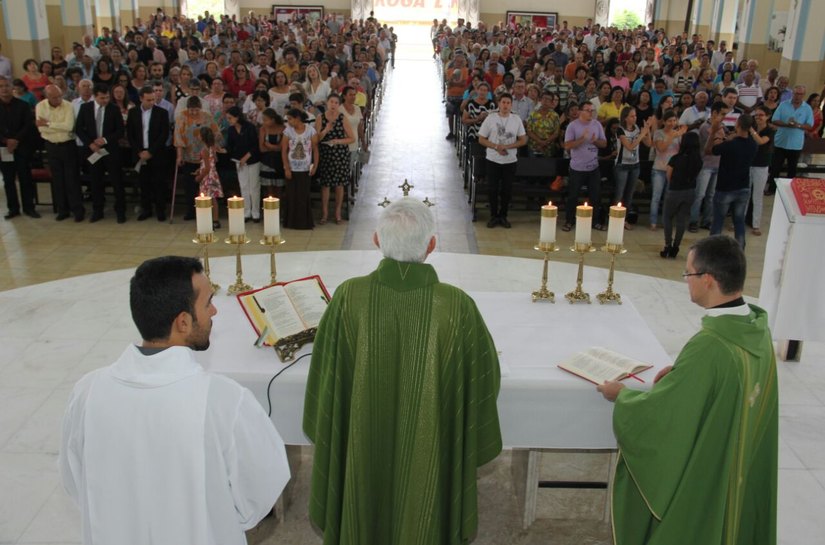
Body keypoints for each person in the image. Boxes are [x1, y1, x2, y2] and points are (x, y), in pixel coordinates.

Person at [303, 198, 502, 545]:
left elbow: (325, 373)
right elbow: (484, 378)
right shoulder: (456, 306)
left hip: (363, 450)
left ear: (376, 240)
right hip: (431, 453)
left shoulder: (348, 298)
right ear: (432, 245)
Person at [59, 256, 291, 545]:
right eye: (207, 303)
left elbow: (74, 481)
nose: (214, 310)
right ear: (183, 322)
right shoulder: (224, 401)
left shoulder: (87, 392)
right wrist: (216, 516)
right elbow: (262, 486)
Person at [598, 235, 777, 545]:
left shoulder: (711, 345)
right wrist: (684, 375)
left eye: (688, 273)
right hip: (737, 462)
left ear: (708, 280)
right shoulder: (756, 330)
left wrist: (623, 396)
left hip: (710, 474)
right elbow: (729, 386)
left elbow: (664, 416)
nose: (686, 280)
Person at [74, 82, 126, 223]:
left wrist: (105, 139)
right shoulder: (85, 108)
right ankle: (98, 210)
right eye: (102, 98)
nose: (105, 100)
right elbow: (79, 129)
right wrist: (90, 143)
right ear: (95, 96)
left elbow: (120, 131)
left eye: (107, 97)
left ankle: (120, 211)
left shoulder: (114, 109)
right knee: (96, 181)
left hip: (110, 150)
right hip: (93, 150)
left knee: (116, 181)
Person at [36, 84, 84, 221]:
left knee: (72, 179)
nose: (58, 99)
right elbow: (41, 129)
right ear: (47, 97)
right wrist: (54, 126)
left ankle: (77, 210)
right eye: (54, 97)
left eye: (59, 96)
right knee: (58, 179)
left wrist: (48, 124)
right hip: (51, 146)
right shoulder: (40, 106)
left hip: (67, 145)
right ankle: (63, 210)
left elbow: (68, 126)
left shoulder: (68, 105)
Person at [709, 113, 758, 248]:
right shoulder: (753, 144)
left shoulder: (730, 144)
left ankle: (713, 250)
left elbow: (713, 150)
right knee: (739, 221)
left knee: (718, 221)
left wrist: (716, 135)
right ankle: (740, 249)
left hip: (725, 187)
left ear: (738, 125)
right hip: (743, 186)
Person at [478, 92, 527, 228]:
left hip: (510, 161)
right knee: (492, 189)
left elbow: (523, 140)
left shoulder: (516, 119)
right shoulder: (491, 118)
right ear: (499, 104)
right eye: (503, 102)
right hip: (493, 160)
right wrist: (496, 147)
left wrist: (507, 146)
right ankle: (493, 215)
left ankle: (503, 215)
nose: (505, 105)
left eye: (508, 103)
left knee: (507, 189)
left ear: (511, 105)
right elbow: (481, 139)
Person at [126, 85, 170, 221]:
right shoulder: (133, 112)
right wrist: (139, 151)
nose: (151, 102)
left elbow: (164, 134)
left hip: (156, 153)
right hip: (140, 153)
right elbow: (130, 134)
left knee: (159, 183)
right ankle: (146, 209)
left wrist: (151, 151)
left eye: (153, 100)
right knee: (143, 183)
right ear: (141, 99)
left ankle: (160, 210)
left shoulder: (162, 113)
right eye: (148, 100)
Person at [563, 102, 607, 232]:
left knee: (595, 196)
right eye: (587, 110)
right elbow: (567, 145)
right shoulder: (573, 126)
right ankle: (569, 221)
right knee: (573, 196)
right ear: (580, 111)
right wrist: (582, 139)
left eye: (592, 110)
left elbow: (604, 143)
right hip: (577, 168)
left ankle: (595, 221)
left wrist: (595, 141)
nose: (590, 113)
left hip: (593, 167)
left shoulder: (597, 124)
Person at [0, 75, 39, 219]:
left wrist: (15, 140)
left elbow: (28, 125)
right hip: (3, 148)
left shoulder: (22, 105)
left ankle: (29, 207)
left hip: (22, 146)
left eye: (7, 85)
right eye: (1, 86)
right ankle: (13, 209)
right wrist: (6, 140)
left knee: (25, 178)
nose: (4, 89)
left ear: (12, 88)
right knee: (8, 180)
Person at [661, 132, 702, 258]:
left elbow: (668, 175)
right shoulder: (698, 160)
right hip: (690, 191)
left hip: (675, 191)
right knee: (681, 219)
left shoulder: (676, 158)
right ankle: (676, 246)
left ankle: (668, 245)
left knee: (667, 217)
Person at [315, 93, 355, 224]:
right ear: (327, 103)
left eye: (336, 103)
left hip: (339, 154)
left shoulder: (342, 118)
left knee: (339, 184)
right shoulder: (320, 118)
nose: (333, 105)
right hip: (326, 154)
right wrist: (326, 130)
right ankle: (325, 213)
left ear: (339, 105)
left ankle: (337, 212)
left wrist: (338, 141)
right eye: (331, 102)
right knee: (325, 184)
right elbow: (316, 138)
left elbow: (351, 138)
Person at [614, 106, 654, 228]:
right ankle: (615, 219)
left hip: (635, 165)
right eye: (632, 116)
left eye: (635, 116)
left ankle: (624, 219)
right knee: (619, 194)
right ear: (625, 118)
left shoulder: (636, 128)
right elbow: (630, 146)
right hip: (622, 165)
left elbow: (649, 144)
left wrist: (647, 130)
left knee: (629, 194)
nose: (634, 118)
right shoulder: (620, 130)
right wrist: (641, 134)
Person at [281, 107, 318, 230]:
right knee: (291, 195)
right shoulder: (288, 131)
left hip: (305, 168)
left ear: (297, 118)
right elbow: (284, 150)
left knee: (303, 195)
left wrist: (315, 165)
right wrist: (286, 168)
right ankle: (290, 222)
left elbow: (315, 150)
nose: (288, 122)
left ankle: (304, 222)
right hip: (292, 168)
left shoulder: (310, 131)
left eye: (290, 119)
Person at [226, 105, 262, 222]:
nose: (229, 120)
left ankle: (256, 212)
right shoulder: (231, 130)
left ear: (237, 117)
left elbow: (255, 145)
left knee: (254, 187)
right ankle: (246, 211)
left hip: (252, 160)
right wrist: (221, 150)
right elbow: (230, 146)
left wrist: (246, 157)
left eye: (230, 118)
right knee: (244, 186)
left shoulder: (249, 127)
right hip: (239, 161)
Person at [748, 106, 774, 236]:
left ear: (767, 116)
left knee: (757, 196)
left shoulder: (769, 130)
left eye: (761, 115)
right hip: (748, 164)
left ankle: (756, 224)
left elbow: (761, 141)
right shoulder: (752, 128)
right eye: (756, 115)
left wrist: (751, 130)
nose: (758, 117)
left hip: (761, 165)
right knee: (745, 194)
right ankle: (739, 222)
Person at [195, 126, 223, 229]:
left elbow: (207, 168)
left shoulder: (204, 150)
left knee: (207, 198)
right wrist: (200, 169)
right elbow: (214, 161)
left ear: (202, 137)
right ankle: (215, 219)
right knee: (213, 198)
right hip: (213, 174)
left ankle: (209, 219)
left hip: (207, 177)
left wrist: (199, 176)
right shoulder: (212, 147)